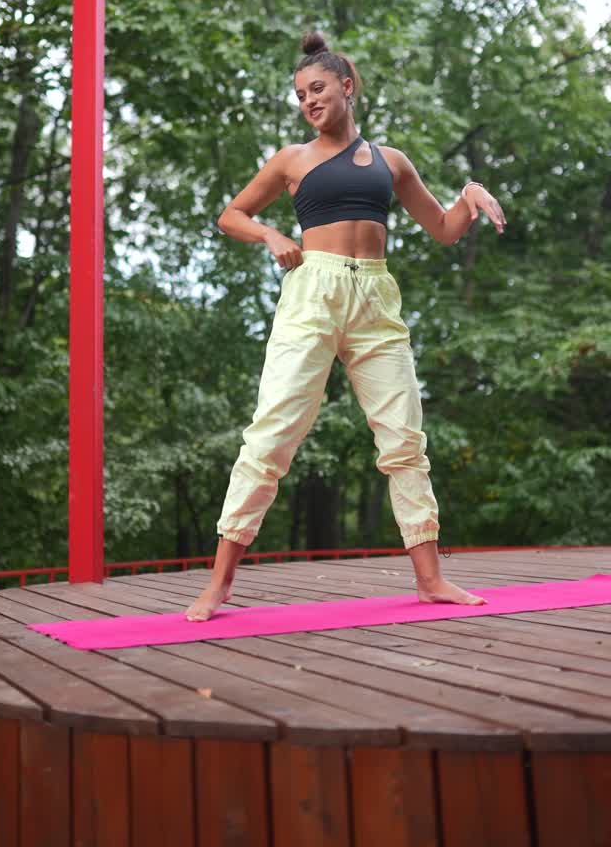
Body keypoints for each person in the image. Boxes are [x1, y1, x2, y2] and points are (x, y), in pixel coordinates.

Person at [185, 30, 506, 621]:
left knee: (404, 439)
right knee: (272, 434)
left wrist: (469, 195)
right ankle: (218, 584)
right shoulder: (292, 158)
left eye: (318, 89)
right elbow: (232, 214)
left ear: (347, 87)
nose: (308, 101)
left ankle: (431, 579)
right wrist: (272, 234)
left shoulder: (391, 161)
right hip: (314, 291)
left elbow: (443, 227)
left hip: (376, 297)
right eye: (301, 94)